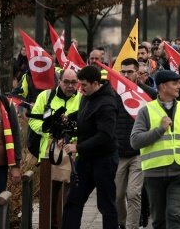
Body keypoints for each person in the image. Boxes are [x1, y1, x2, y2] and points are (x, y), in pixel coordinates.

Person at [131, 69, 180, 229]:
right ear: (163, 86)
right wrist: (159, 129)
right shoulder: (146, 110)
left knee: (174, 215)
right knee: (158, 220)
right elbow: (135, 141)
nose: (179, 86)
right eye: (174, 83)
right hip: (154, 175)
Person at [61, 65, 119, 229]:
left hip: (104, 160)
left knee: (106, 205)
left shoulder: (107, 103)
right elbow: (83, 115)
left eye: (84, 85)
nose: (81, 88)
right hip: (86, 160)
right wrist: (68, 119)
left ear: (95, 83)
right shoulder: (87, 96)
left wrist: (77, 148)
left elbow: (104, 135)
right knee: (73, 200)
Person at [28, 68, 81, 229]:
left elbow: (85, 126)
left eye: (74, 82)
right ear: (59, 81)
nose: (70, 86)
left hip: (73, 156)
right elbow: (34, 121)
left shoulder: (82, 99)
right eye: (67, 82)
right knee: (50, 197)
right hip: (48, 155)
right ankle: (52, 225)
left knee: (71, 197)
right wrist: (50, 130)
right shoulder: (46, 97)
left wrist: (71, 139)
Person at [115, 58, 146, 229]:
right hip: (119, 153)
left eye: (130, 72)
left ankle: (132, 226)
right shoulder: (114, 94)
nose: (126, 75)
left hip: (139, 152)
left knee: (133, 193)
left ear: (137, 73)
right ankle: (123, 222)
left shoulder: (146, 94)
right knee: (118, 196)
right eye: (123, 72)